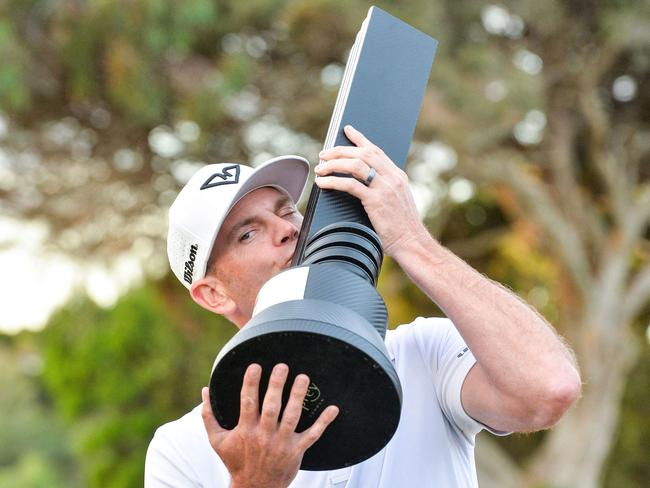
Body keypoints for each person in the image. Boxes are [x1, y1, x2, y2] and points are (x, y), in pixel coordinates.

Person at [145, 125, 581, 487]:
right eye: (248, 234)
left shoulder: (422, 354)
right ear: (213, 294)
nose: (287, 230)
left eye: (287, 211)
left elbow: (549, 389)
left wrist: (412, 240)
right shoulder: (183, 450)